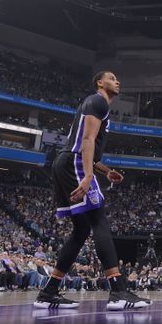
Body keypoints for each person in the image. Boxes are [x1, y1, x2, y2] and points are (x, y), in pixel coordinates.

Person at [34, 71, 150, 310]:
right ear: (100, 83)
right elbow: (86, 140)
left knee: (81, 230)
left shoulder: (95, 105)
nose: (117, 81)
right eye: (111, 77)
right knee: (99, 221)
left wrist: (104, 171)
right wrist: (87, 176)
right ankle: (118, 290)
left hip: (66, 162)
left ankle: (49, 291)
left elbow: (85, 145)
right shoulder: (97, 100)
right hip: (74, 162)